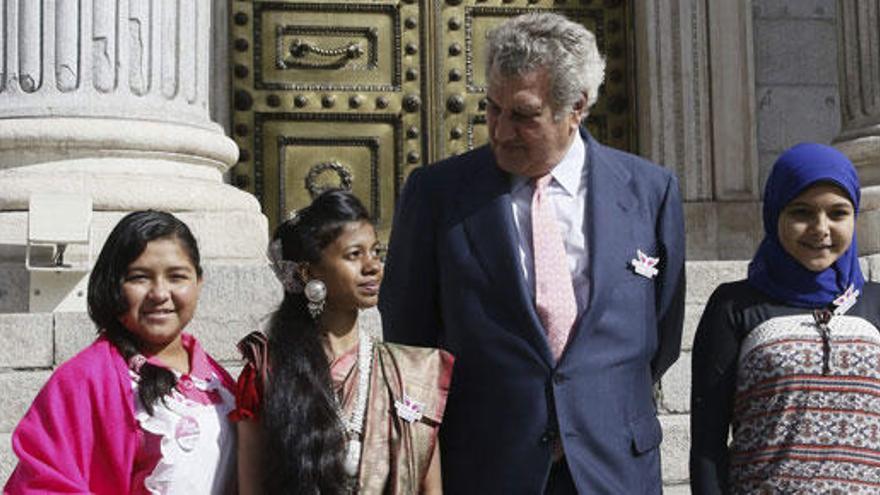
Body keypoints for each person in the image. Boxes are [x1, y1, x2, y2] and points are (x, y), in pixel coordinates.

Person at [379, 12, 686, 494]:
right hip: (486, 468)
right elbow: (410, 341)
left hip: (613, 467)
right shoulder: (438, 194)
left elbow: (661, 332)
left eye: (523, 115)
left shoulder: (650, 191)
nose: (500, 131)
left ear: (576, 108)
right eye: (492, 109)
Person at [231, 189, 453, 494]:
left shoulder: (409, 372)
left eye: (376, 252)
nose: (373, 266)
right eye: (354, 254)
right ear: (309, 272)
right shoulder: (268, 370)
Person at [690, 143, 880, 493]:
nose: (820, 228)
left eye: (838, 213)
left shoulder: (876, 304)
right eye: (801, 212)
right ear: (774, 213)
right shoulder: (734, 307)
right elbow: (707, 443)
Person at [4, 211, 236, 494]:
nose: (160, 293)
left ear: (199, 282)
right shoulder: (82, 381)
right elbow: (41, 484)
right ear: (113, 285)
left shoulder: (218, 382)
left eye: (177, 276)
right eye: (140, 277)